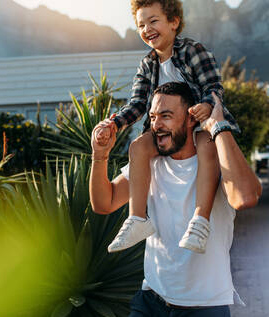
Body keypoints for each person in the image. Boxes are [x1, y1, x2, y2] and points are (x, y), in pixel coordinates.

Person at [90, 82, 262, 317]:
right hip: (152, 299)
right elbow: (103, 203)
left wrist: (219, 127)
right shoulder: (149, 164)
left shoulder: (215, 159)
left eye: (166, 116)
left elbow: (245, 198)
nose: (156, 124)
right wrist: (100, 155)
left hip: (205, 309)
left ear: (191, 118)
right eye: (152, 117)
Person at [95, 0, 240, 254]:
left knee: (206, 144)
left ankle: (200, 221)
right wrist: (115, 122)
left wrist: (206, 105)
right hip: (165, 130)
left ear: (173, 22)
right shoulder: (147, 65)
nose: (147, 28)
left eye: (153, 21)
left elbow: (213, 87)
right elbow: (138, 103)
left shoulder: (193, 51)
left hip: (199, 123)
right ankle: (138, 218)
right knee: (139, 146)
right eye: (141, 24)